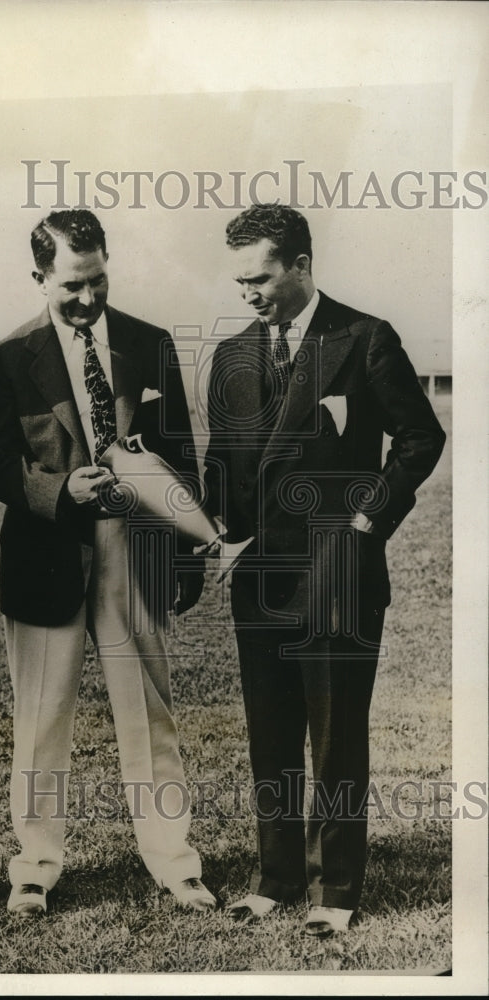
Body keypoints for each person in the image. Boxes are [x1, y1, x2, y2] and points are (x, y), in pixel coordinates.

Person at [202, 204, 445, 938]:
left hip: (338, 575)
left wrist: (365, 525)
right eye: (239, 279)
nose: (248, 293)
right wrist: (216, 529)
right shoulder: (232, 354)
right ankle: (275, 880)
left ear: (302, 265)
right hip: (259, 582)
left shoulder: (364, 338)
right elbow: (223, 464)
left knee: (336, 739)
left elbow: (419, 438)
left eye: (262, 277)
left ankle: (335, 890)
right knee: (270, 737)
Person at [0, 209, 213, 916]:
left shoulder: (149, 344)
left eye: (97, 280)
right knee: (41, 719)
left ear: (108, 264)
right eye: (70, 285)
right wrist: (58, 490)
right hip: (48, 559)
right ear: (39, 276)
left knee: (150, 715)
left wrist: (188, 550)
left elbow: (179, 454)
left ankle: (174, 862)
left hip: (136, 552)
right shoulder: (5, 357)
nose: (86, 299)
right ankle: (35, 868)